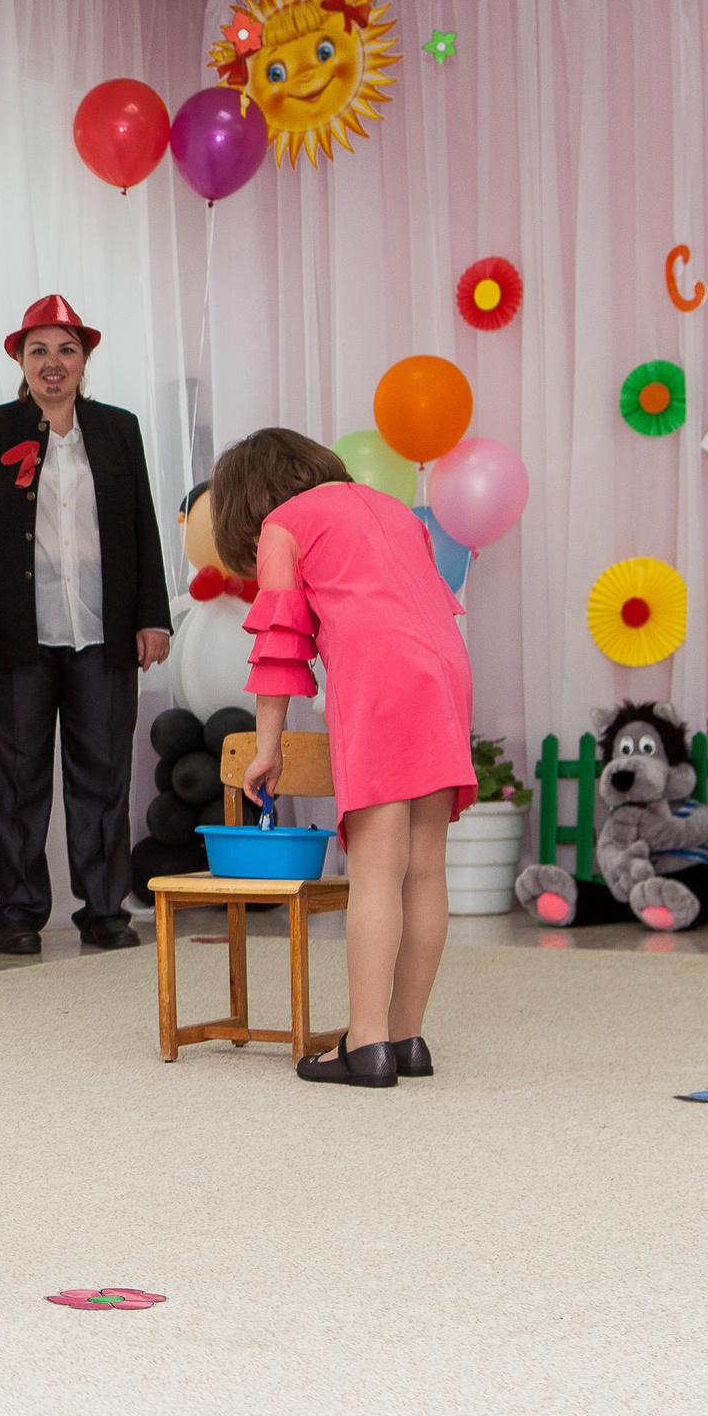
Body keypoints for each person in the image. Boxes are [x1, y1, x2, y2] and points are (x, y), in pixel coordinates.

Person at [214, 429, 474, 1088]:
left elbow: (280, 649)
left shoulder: (284, 522)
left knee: (377, 870)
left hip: (382, 677)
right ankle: (406, 1034)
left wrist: (267, 748)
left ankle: (366, 1043)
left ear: (257, 494)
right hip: (445, 671)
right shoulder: (391, 508)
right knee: (425, 869)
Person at [0, 295, 170, 955]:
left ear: (85, 359)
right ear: (19, 357)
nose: (53, 363)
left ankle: (105, 907)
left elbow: (143, 527)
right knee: (15, 778)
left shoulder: (117, 428)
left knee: (104, 773)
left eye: (66, 350)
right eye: (38, 350)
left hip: (105, 628)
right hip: (17, 632)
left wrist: (152, 616)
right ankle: (18, 909)